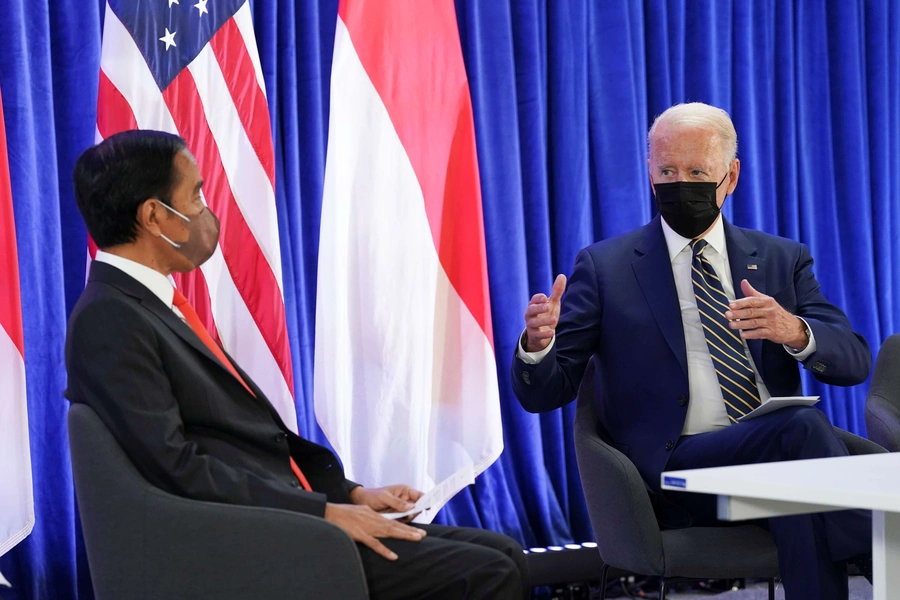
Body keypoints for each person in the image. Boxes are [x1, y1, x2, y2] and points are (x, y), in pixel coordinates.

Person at [65, 129, 527, 600]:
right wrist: (322, 514)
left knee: (506, 554)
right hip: (249, 545)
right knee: (489, 573)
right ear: (153, 215)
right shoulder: (110, 318)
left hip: (287, 519)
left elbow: (239, 442)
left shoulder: (149, 305)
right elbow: (178, 468)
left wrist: (349, 495)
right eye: (197, 194)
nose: (207, 208)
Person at [511, 103, 872, 600]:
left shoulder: (780, 258)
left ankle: (852, 525)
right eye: (667, 172)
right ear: (650, 174)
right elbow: (546, 392)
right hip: (678, 474)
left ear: (730, 177)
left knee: (798, 482)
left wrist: (794, 331)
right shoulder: (607, 267)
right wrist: (538, 344)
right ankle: (871, 538)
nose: (681, 184)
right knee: (806, 432)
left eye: (697, 172)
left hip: (778, 466)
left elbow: (853, 362)